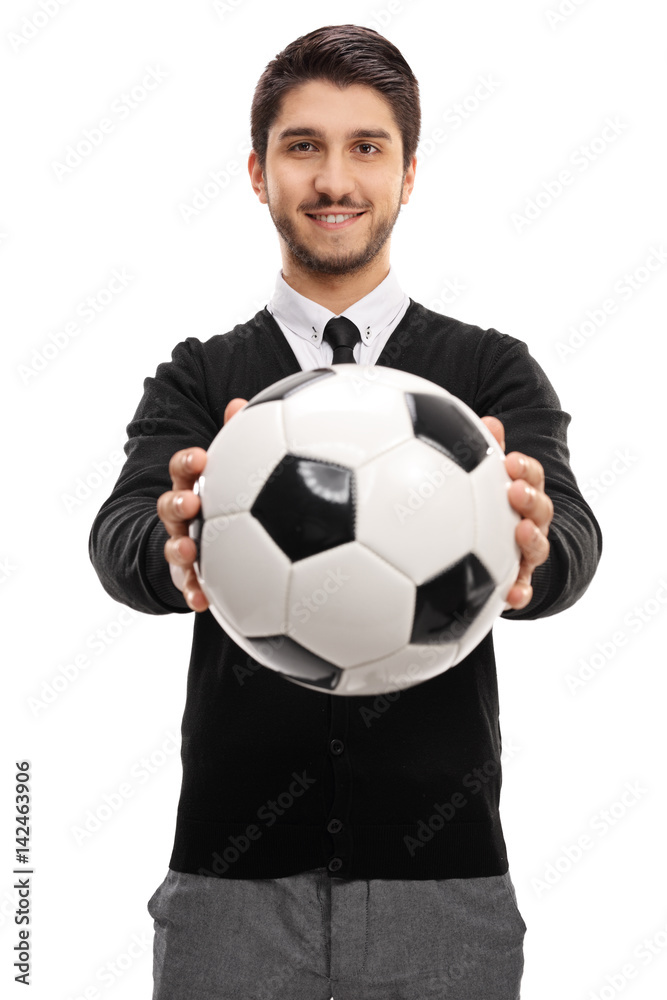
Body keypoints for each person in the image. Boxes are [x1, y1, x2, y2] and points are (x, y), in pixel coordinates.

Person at [89, 23, 602, 1000]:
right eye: (302, 146)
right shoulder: (204, 376)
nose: (334, 179)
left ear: (408, 174)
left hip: (443, 891)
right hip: (227, 889)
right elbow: (120, 537)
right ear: (257, 171)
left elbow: (572, 533)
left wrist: (539, 554)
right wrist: (173, 542)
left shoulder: (486, 371)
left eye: (366, 146)